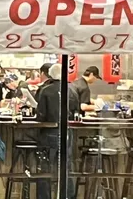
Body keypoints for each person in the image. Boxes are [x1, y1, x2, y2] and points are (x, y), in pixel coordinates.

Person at [36, 64, 78, 199]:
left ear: (50, 74)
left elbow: (40, 116)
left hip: (49, 133)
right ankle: (68, 196)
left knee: (45, 167)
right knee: (66, 166)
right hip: (67, 133)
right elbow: (77, 112)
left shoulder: (46, 90)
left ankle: (44, 196)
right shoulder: (72, 89)